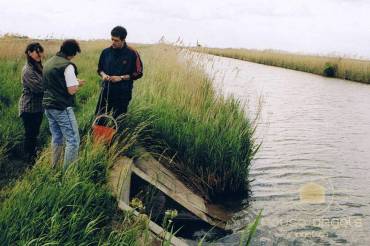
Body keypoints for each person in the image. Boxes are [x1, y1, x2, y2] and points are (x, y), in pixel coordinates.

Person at [42, 39, 85, 171]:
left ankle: (54, 168)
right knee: (73, 140)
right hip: (61, 106)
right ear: (72, 53)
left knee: (57, 137)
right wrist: (78, 83)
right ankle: (68, 174)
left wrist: (73, 81)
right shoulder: (68, 65)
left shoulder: (49, 62)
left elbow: (56, 82)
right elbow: (71, 90)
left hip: (48, 106)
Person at [95, 26, 143, 124]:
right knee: (99, 117)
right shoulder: (105, 52)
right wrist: (103, 75)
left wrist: (121, 78)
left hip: (123, 92)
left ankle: (117, 138)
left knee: (118, 120)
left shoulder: (132, 53)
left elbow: (139, 73)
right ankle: (98, 138)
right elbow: (100, 69)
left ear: (123, 39)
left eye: (116, 40)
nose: (113, 42)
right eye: (112, 39)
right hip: (106, 90)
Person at [18, 42, 44, 164]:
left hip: (38, 108)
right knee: (30, 135)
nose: (40, 54)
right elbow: (38, 89)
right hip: (28, 108)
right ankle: (28, 161)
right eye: (37, 52)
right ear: (29, 53)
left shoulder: (37, 66)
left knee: (34, 133)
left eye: (41, 51)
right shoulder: (27, 70)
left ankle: (32, 156)